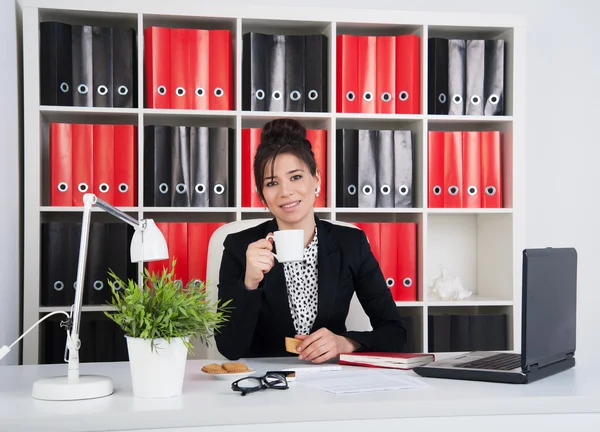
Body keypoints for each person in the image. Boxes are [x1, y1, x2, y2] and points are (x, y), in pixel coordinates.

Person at [214, 118, 407, 363]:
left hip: (329, 380)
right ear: (262, 196)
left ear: (316, 179)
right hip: (266, 384)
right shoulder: (239, 246)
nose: (286, 192)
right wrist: (250, 283)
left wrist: (344, 342)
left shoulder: (351, 243)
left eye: (295, 177)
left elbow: (395, 333)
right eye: (272, 183)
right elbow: (229, 348)